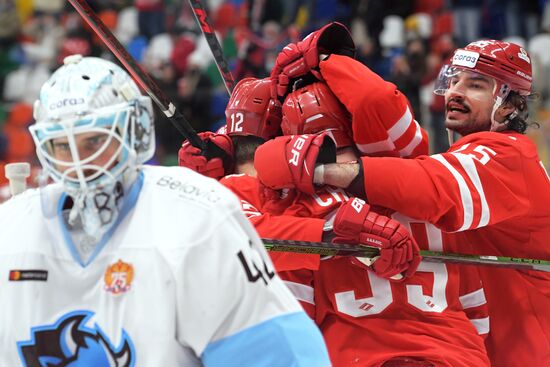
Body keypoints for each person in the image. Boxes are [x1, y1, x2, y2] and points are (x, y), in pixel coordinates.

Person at [0, 54, 331, 366]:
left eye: (94, 141)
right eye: (61, 145)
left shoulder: (195, 217)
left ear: (134, 130)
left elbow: (275, 351)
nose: (79, 162)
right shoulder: (12, 229)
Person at [260, 35, 550, 366]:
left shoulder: (510, 157)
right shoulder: (449, 162)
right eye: (453, 81)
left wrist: (327, 63)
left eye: (476, 85)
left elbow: (433, 186)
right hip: (485, 353)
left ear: (511, 105)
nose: (456, 92)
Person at [180, 76, 491, 366]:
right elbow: (477, 313)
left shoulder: (292, 205)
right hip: (458, 354)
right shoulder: (427, 187)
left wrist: (201, 182)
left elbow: (293, 313)